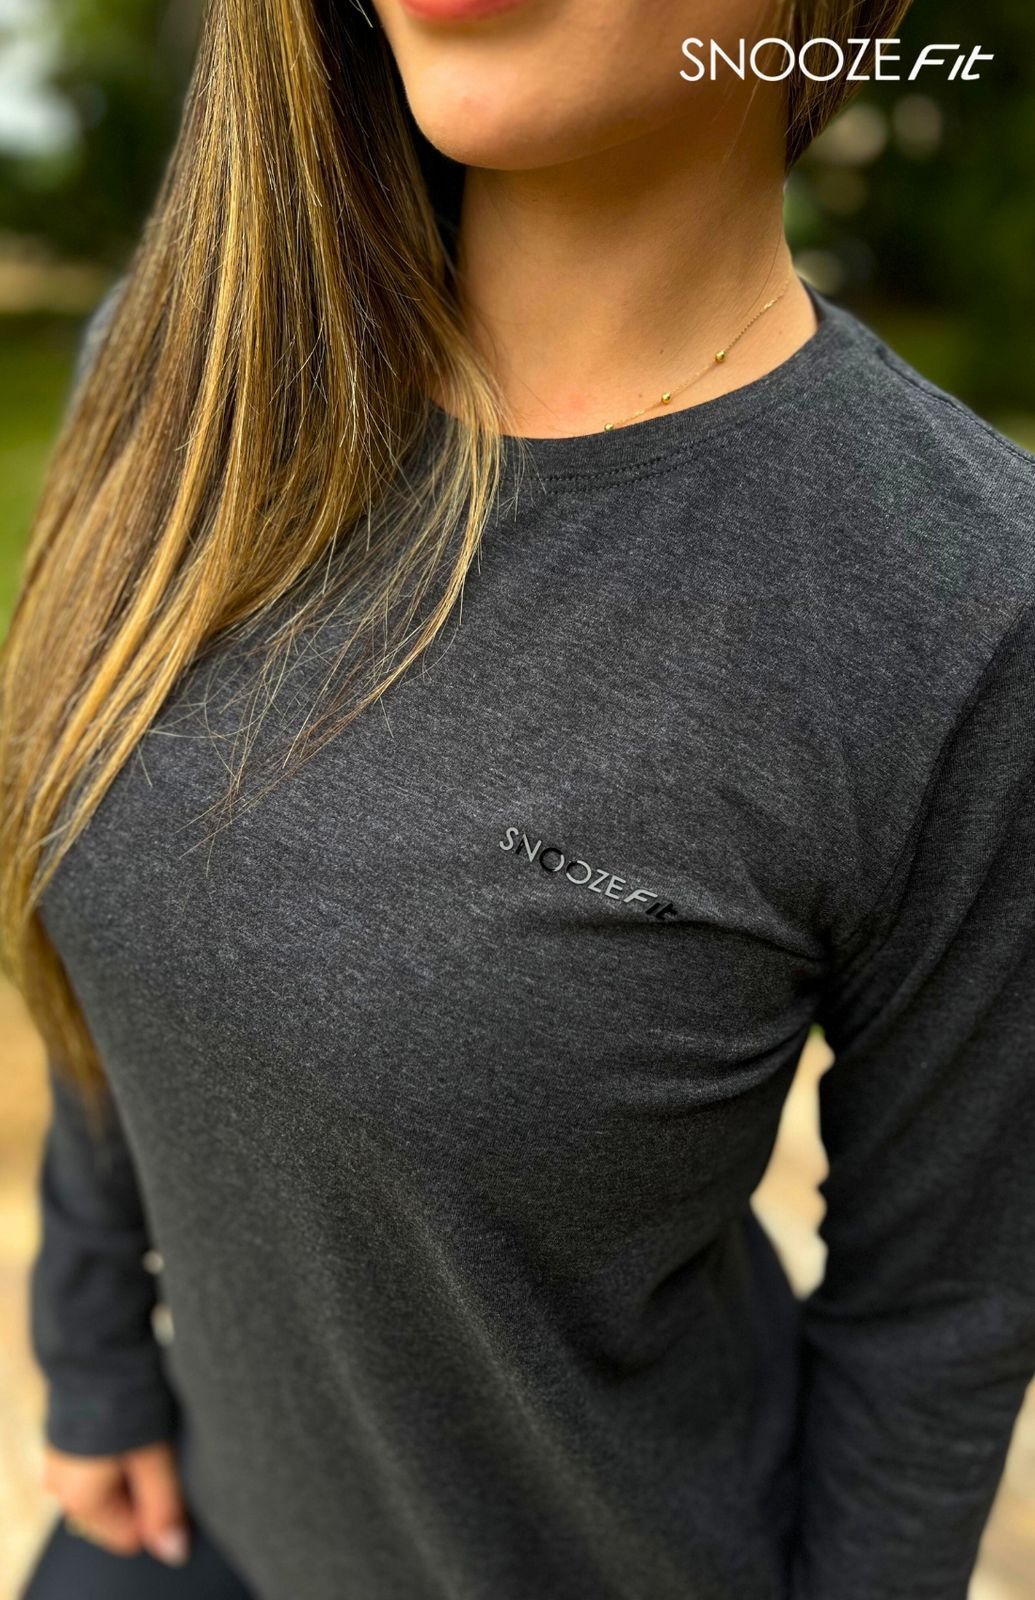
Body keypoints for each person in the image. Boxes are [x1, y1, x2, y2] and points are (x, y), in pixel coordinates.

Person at [3, 1, 1034, 1597]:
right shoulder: (183, 378)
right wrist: (90, 1342)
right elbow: (120, 968)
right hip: (182, 1533)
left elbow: (943, 1312)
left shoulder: (965, 600)